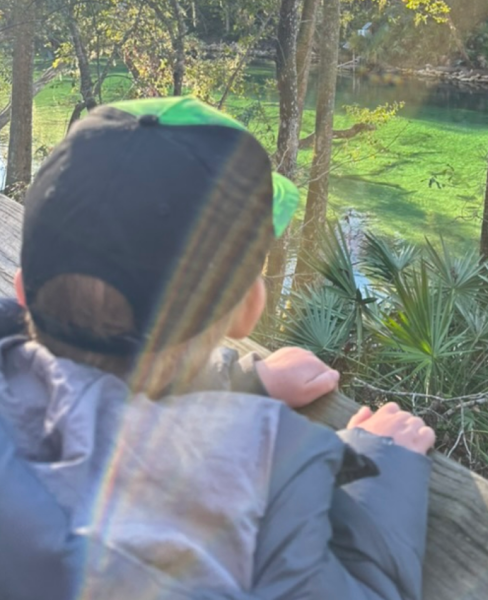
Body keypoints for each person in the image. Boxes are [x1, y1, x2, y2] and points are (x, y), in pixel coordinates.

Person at [0, 96, 434, 600]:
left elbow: (95, 411)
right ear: (250, 307)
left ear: (23, 288)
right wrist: (384, 467)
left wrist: (241, 383)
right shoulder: (261, 483)